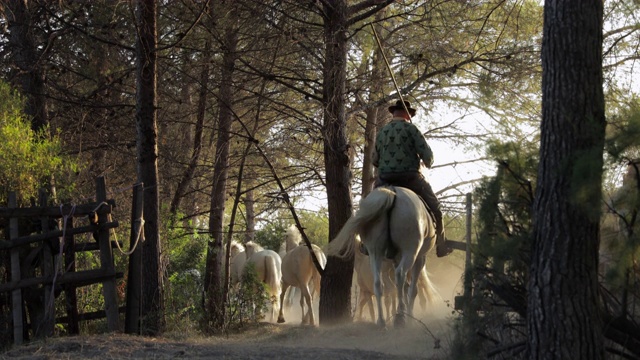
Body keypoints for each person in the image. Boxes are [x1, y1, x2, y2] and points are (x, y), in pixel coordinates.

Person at [372, 99, 453, 258]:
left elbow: (374, 159)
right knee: (436, 208)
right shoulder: (412, 129)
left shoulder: (382, 132)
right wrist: (426, 162)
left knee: (368, 207)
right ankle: (441, 245)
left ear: (393, 113)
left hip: (385, 179)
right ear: (408, 114)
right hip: (410, 177)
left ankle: (365, 244)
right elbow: (428, 157)